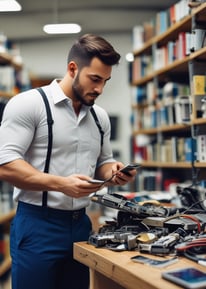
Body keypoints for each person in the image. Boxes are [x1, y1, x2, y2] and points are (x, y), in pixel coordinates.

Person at [0, 33, 137, 289]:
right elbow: (5, 165)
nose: (100, 89)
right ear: (72, 68)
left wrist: (114, 171)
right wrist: (61, 184)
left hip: (81, 226)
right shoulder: (28, 104)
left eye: (105, 81)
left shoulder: (99, 116)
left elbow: (104, 161)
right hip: (37, 224)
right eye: (94, 79)